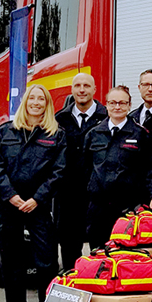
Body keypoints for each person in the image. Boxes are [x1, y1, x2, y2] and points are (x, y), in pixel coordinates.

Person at [0, 84, 66, 302]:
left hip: (38, 207)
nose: (36, 102)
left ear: (47, 104)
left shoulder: (56, 134)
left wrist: (37, 198)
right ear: (25, 102)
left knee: (47, 264)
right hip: (10, 207)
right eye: (31, 97)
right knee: (13, 267)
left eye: (41, 98)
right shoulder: (6, 131)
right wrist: (11, 196)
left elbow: (59, 171)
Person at [84, 85, 152, 250]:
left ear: (129, 105)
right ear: (106, 105)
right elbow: (84, 169)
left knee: (125, 256)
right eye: (113, 103)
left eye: (122, 103)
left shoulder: (141, 134)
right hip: (98, 208)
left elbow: (149, 169)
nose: (117, 107)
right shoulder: (94, 133)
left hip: (127, 208)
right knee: (97, 255)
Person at [54, 72, 108, 270]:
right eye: (78, 86)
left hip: (98, 194)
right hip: (67, 194)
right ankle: (71, 285)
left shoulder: (107, 117)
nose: (82, 90)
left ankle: (99, 290)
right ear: (72, 90)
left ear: (95, 90)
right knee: (68, 244)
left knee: (100, 246)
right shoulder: (60, 119)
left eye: (86, 85)